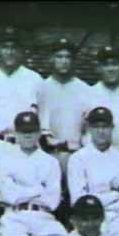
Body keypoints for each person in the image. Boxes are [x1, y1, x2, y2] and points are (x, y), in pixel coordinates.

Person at [0, 111, 67, 236]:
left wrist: (21, 190)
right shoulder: (5, 159)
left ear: (39, 133)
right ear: (15, 133)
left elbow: (52, 201)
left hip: (44, 217)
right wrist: (38, 188)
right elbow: (8, 196)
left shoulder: (50, 162)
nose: (27, 135)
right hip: (14, 216)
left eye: (32, 131)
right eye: (23, 131)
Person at [0, 27, 43, 193]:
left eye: (14, 47)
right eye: (5, 47)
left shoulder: (34, 79)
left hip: (26, 143)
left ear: (21, 51)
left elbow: (42, 116)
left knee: (25, 190)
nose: (9, 52)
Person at [67, 107, 119, 236]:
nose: (101, 131)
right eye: (96, 127)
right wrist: (114, 195)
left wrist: (98, 202)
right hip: (89, 220)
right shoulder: (78, 158)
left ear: (112, 128)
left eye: (105, 126)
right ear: (89, 129)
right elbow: (78, 202)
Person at [37, 37, 92, 173]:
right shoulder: (41, 88)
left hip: (75, 154)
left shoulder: (84, 89)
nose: (64, 61)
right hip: (47, 155)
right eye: (59, 56)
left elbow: (88, 128)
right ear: (51, 59)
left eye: (68, 57)